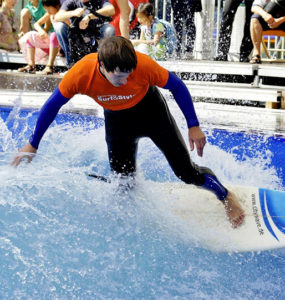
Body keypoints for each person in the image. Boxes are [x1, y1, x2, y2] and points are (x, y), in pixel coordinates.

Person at [11, 36, 245, 228]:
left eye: (129, 75)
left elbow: (177, 86)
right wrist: (33, 144)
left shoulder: (143, 65)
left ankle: (226, 196)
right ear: (102, 66)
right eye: (119, 77)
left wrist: (193, 125)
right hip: (118, 123)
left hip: (153, 114)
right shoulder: (82, 72)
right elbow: (52, 104)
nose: (125, 81)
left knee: (186, 173)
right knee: (124, 182)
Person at [54, 0, 115, 66]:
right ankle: (71, 63)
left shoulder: (100, 1)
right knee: (59, 27)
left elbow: (111, 10)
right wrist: (73, 13)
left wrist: (89, 17)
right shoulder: (72, 1)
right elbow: (57, 17)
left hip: (96, 36)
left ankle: (101, 62)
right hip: (77, 39)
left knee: (109, 29)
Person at [18, 0, 62, 75]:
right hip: (50, 45)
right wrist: (40, 31)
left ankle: (49, 66)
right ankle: (31, 65)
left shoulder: (62, 13)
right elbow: (36, 24)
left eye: (48, 8)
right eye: (45, 9)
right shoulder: (49, 14)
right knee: (31, 35)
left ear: (57, 6)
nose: (46, 11)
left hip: (60, 46)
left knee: (54, 35)